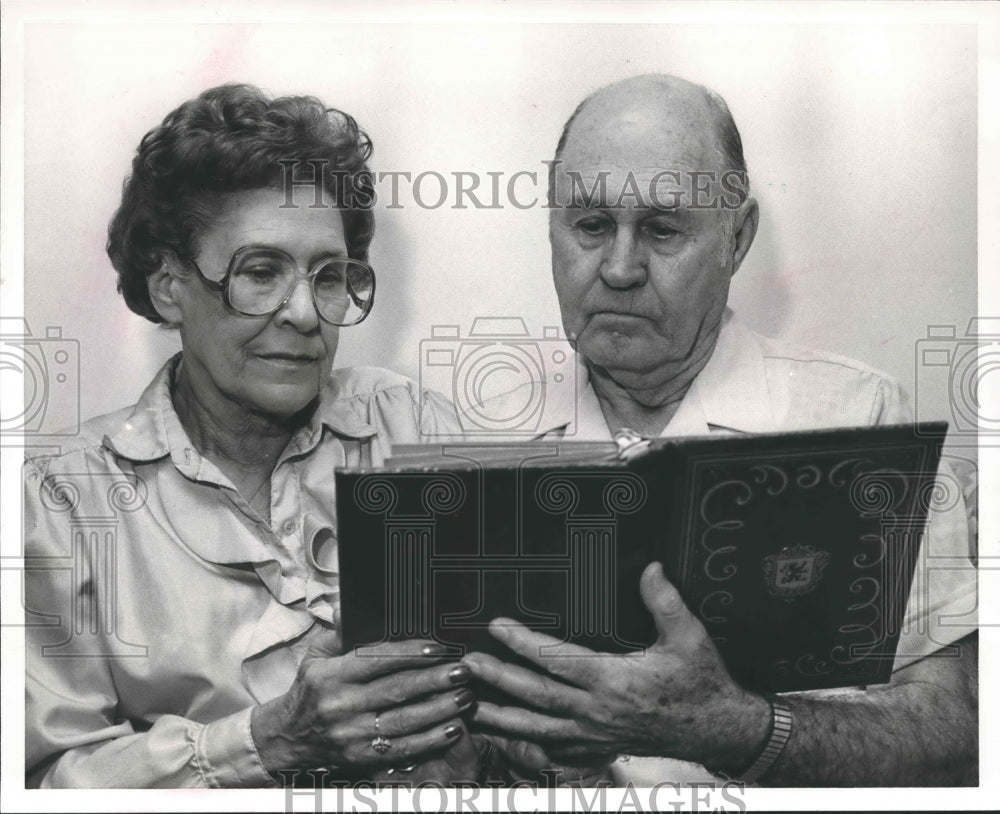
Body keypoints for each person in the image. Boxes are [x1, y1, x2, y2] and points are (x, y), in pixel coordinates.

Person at [462, 74, 978, 786]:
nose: (618, 268)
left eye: (663, 229)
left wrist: (734, 727)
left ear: (737, 239)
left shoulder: (860, 419)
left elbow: (958, 737)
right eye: (589, 226)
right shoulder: (478, 436)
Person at [23, 84, 483, 788]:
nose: (304, 313)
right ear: (170, 283)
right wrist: (269, 740)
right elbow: (47, 780)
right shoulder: (62, 501)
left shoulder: (411, 427)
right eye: (261, 273)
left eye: (329, 277)